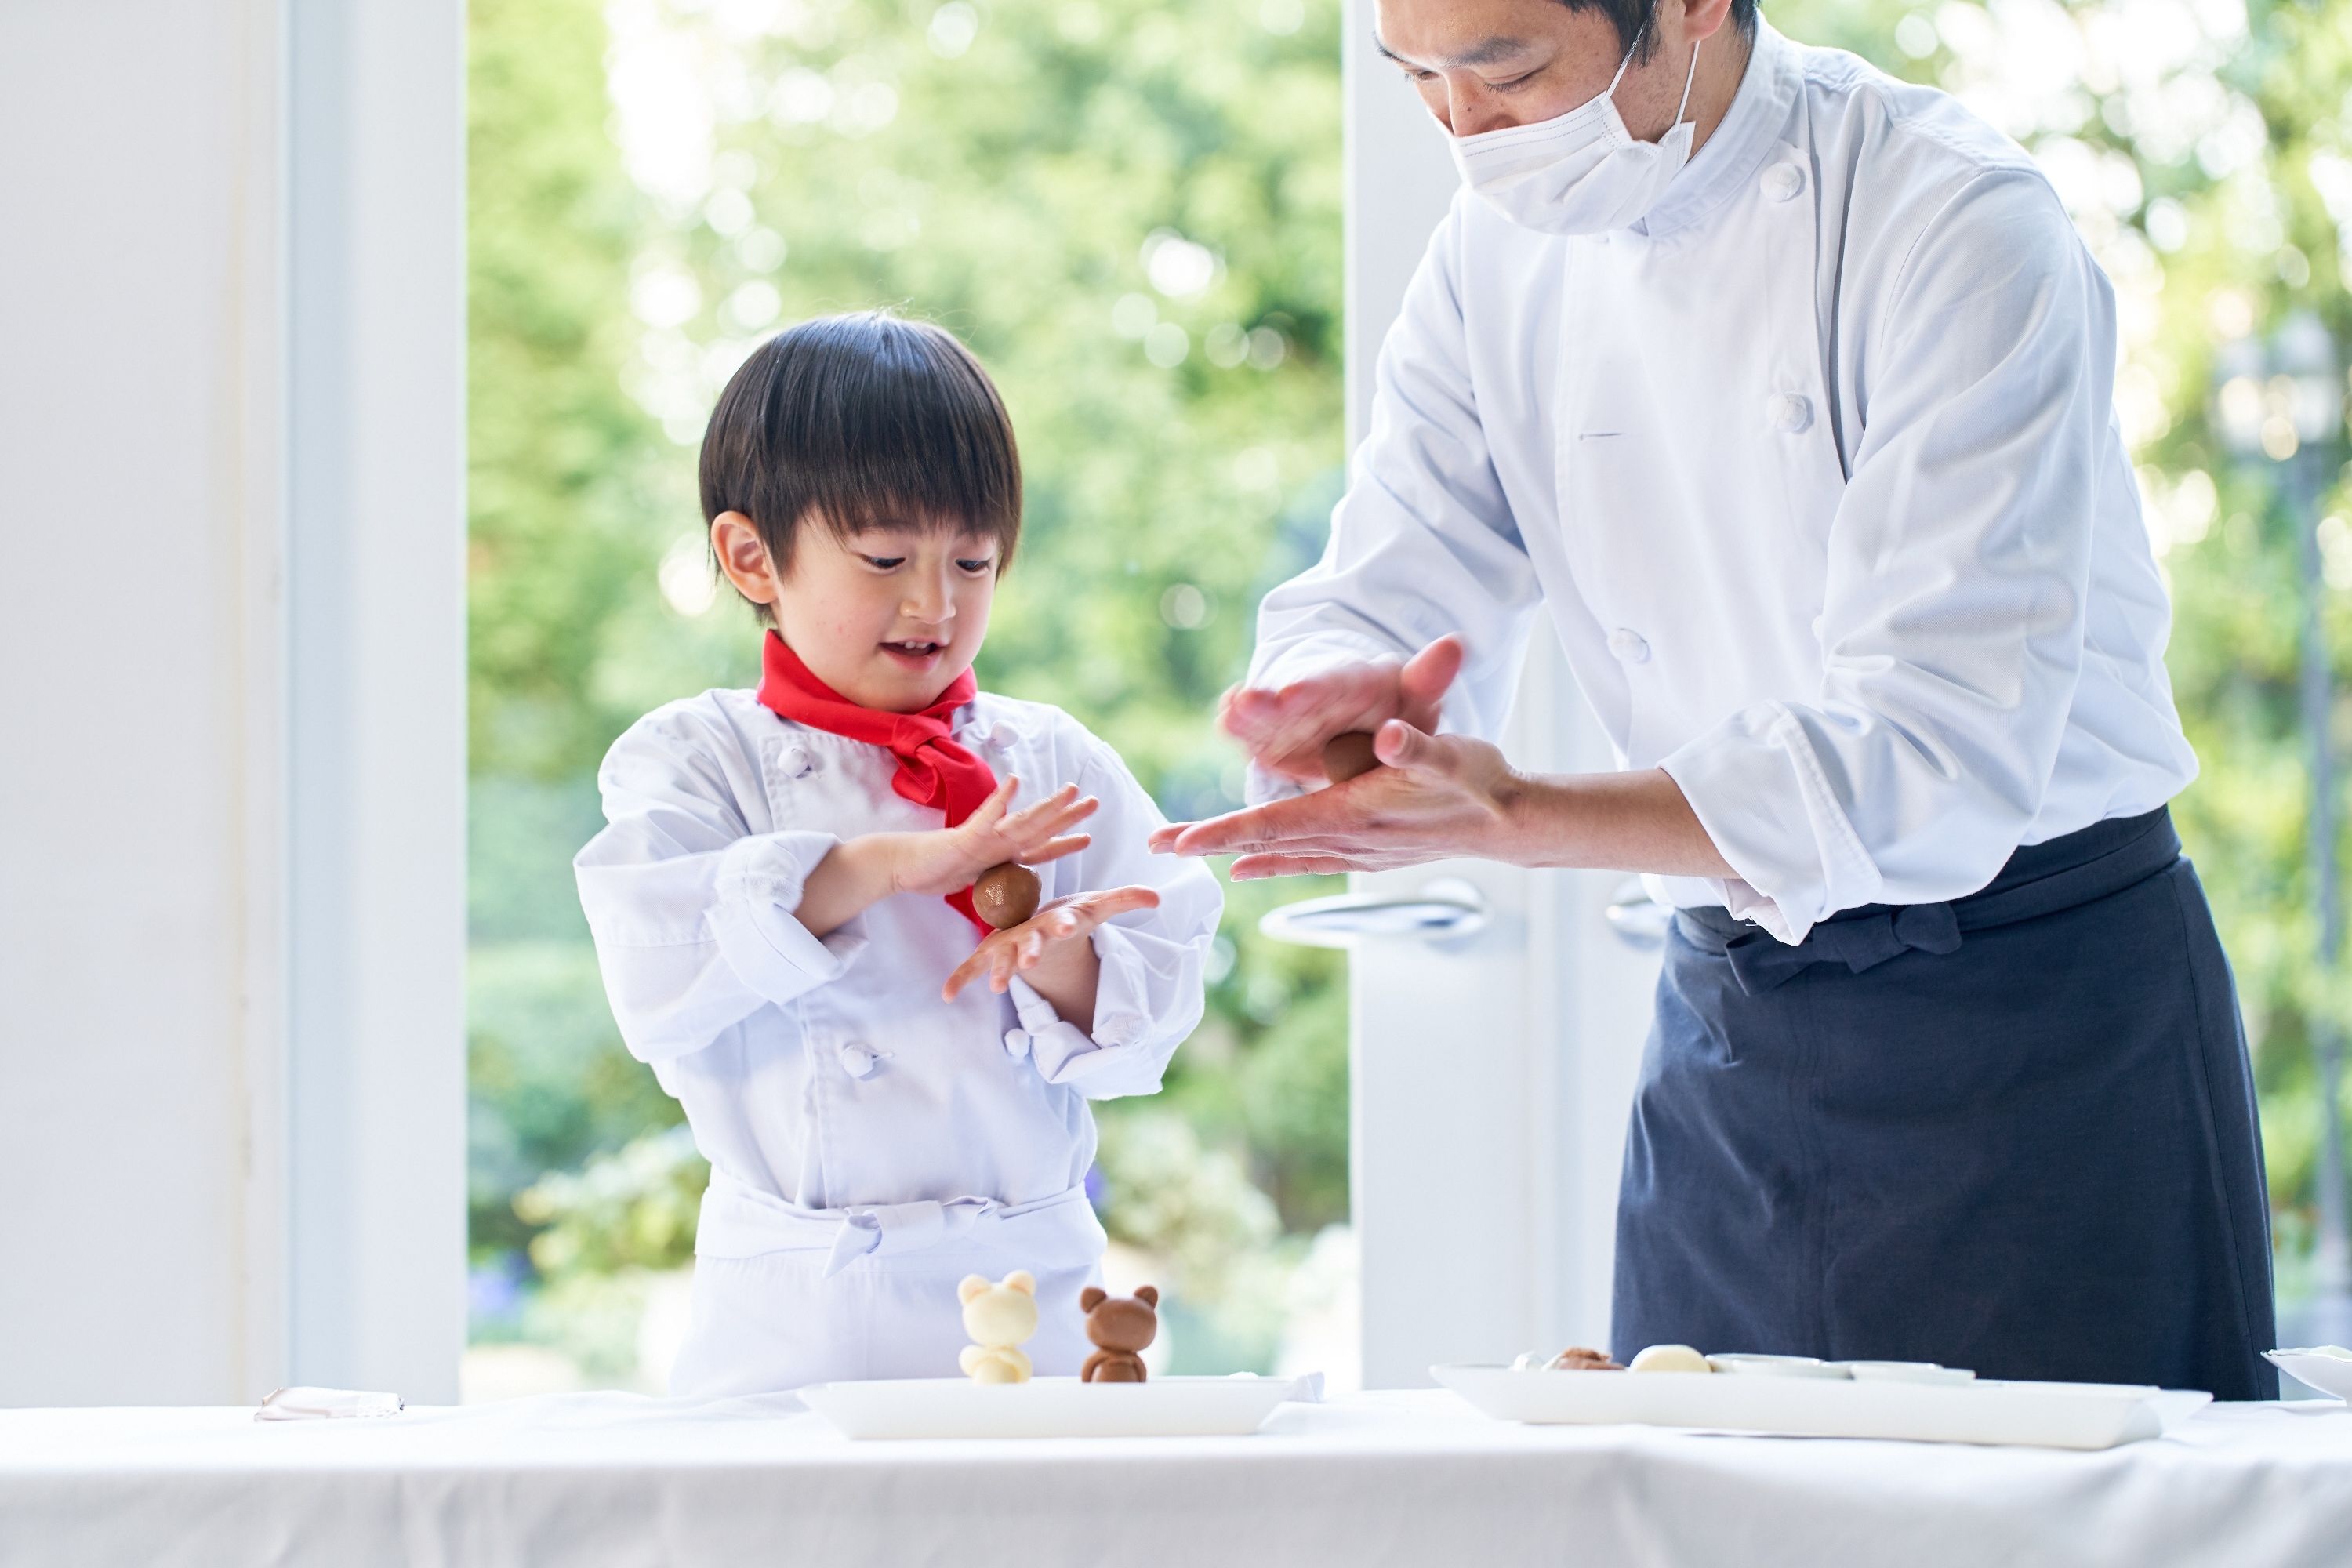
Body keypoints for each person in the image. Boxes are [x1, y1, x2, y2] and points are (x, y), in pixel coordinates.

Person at [1156, 0, 2277, 1397]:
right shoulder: (1491, 257)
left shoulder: (1957, 222)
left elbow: (1939, 748)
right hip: (1733, 1032)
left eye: (1505, 72)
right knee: (1692, 1515)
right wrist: (1332, 705)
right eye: (1415, 82)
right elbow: (1393, 571)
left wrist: (1518, 817)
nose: (1461, 132)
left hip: (2041, 1024)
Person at [576, 313, 1221, 1395]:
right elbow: (661, 975)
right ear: (752, 559)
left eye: (973, 559)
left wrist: (1054, 956)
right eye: (885, 559)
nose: (937, 602)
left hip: (1037, 1305)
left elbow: (1153, 1016)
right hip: (805, 1325)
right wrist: (890, 866)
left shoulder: (1051, 756)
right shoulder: (696, 758)